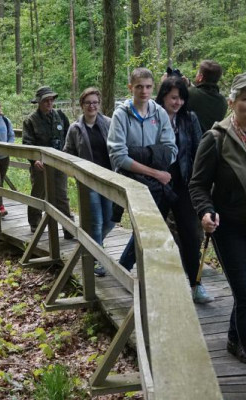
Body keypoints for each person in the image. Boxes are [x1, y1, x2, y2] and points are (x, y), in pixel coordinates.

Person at [189, 72, 246, 363]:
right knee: (244, 290)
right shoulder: (215, 138)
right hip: (230, 227)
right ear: (232, 102)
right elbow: (198, 184)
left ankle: (235, 338)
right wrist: (205, 211)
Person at [108, 67, 177, 271]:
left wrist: (138, 153)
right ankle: (128, 265)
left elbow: (171, 151)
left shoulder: (160, 113)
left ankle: (127, 265)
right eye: (139, 87)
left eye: (148, 87)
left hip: (156, 182)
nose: (144, 91)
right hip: (132, 180)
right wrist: (155, 169)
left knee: (150, 225)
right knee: (146, 224)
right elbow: (119, 156)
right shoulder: (121, 115)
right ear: (131, 87)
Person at [156, 77, 213, 303]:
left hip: (184, 184)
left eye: (181, 98)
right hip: (158, 184)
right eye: (173, 98)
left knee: (190, 235)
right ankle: (154, 282)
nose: (177, 102)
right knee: (153, 235)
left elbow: (199, 150)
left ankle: (196, 284)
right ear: (163, 97)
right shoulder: (153, 118)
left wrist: (202, 181)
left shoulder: (190, 119)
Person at [64, 87, 115, 276]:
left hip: (109, 179)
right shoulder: (75, 128)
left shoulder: (109, 123)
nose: (92, 106)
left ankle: (92, 244)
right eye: (88, 103)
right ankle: (98, 259)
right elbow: (67, 152)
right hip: (88, 181)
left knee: (110, 220)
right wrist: (75, 171)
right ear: (82, 106)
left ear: (99, 104)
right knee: (96, 221)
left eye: (95, 102)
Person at [22, 86, 73, 239]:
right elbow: (27, 143)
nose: (49, 103)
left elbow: (69, 136)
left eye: (51, 100)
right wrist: (34, 159)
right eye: (46, 100)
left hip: (59, 162)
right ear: (39, 102)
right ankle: (35, 224)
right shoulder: (30, 120)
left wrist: (69, 156)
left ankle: (68, 228)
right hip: (41, 164)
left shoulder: (60, 116)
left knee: (61, 196)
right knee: (38, 194)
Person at [187, 60, 228, 133]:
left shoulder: (189, 93)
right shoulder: (223, 101)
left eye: (197, 73)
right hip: (211, 142)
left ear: (200, 77)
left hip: (191, 142)